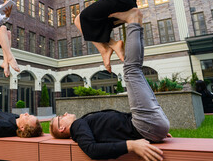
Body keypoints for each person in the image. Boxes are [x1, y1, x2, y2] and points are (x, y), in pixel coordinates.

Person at [50, 9, 170, 161]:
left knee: (133, 70)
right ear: (62, 128)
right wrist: (131, 145)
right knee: (131, 70)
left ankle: (132, 23)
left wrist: (155, 131)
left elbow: (116, 127)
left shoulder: (84, 125)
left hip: (148, 125)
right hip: (145, 125)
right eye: (61, 117)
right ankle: (133, 20)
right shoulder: (77, 127)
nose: (65, 114)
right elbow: (92, 150)